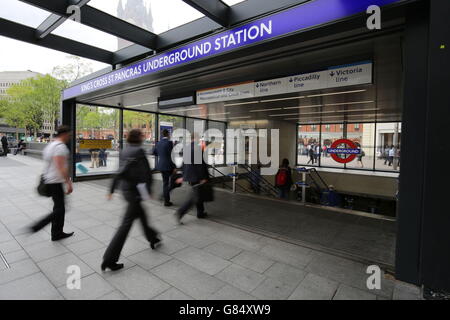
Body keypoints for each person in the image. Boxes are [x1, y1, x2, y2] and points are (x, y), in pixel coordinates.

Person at [102, 129, 160, 272]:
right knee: (126, 225)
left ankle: (153, 238)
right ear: (138, 138)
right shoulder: (139, 151)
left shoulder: (125, 150)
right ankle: (109, 259)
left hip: (126, 190)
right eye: (142, 135)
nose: (144, 136)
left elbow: (119, 171)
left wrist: (112, 189)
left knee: (141, 214)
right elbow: (147, 173)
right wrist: (149, 190)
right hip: (135, 191)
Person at [29, 126, 74, 241]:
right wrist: (68, 182)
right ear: (64, 134)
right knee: (60, 209)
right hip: (55, 181)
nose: (70, 137)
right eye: (69, 135)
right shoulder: (60, 147)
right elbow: (61, 167)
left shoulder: (51, 145)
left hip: (50, 180)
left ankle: (57, 233)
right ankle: (38, 226)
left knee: (59, 208)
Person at [175, 134, 209, 223]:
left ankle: (200, 213)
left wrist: (183, 176)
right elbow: (201, 165)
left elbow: (184, 163)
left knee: (198, 193)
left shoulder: (186, 148)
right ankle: (180, 212)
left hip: (190, 176)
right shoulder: (197, 149)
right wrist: (204, 177)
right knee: (194, 196)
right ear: (197, 139)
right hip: (196, 176)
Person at [153, 129, 176, 206]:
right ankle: (164, 197)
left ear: (162, 135)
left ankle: (166, 200)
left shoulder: (158, 143)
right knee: (173, 182)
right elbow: (172, 156)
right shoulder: (169, 143)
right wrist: (174, 167)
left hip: (161, 166)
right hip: (168, 166)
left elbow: (154, 152)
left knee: (165, 183)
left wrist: (161, 155)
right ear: (168, 134)